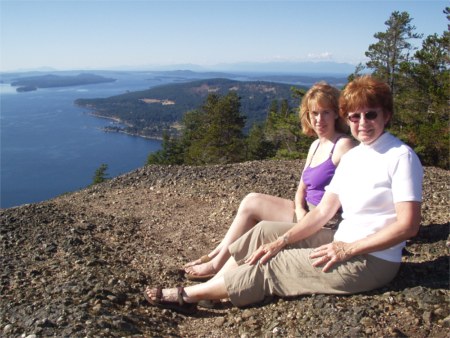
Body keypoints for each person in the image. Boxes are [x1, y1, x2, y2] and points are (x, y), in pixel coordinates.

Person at [143, 75, 423, 314]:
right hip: (340, 239)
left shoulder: (400, 157)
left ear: (386, 115)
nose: (362, 122)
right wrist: (283, 239)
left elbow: (408, 225)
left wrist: (347, 249)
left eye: (370, 114)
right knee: (266, 233)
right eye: (355, 116)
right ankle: (220, 282)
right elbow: (324, 211)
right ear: (347, 118)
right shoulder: (355, 157)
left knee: (271, 265)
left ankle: (189, 296)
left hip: (373, 260)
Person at [183, 82, 356, 281]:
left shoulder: (344, 146)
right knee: (251, 200)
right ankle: (216, 256)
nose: (319, 119)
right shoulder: (316, 145)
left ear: (336, 114)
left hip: (323, 222)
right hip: (305, 212)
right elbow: (301, 189)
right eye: (313, 113)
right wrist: (300, 211)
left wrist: (308, 218)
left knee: (259, 225)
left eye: (325, 112)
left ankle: (216, 264)